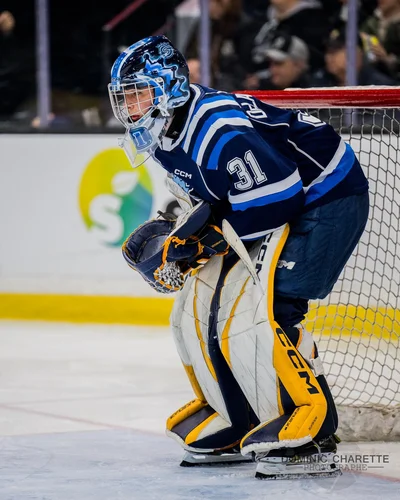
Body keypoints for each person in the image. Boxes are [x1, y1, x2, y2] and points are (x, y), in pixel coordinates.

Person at [108, 35, 369, 479]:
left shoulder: (217, 130)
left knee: (272, 308)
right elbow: (220, 197)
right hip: (287, 199)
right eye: (124, 97)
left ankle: (314, 431)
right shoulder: (165, 130)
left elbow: (278, 198)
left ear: (168, 86)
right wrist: (189, 235)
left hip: (327, 198)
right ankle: (238, 415)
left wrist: (203, 240)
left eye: (139, 93)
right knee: (201, 306)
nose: (131, 107)